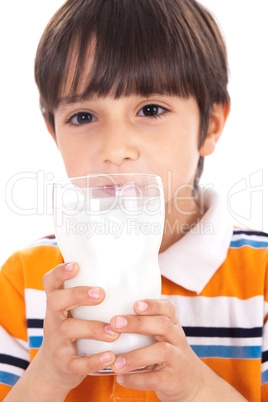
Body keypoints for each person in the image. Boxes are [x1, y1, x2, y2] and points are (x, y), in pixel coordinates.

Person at [0, 0, 267, 400]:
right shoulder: (26, 282)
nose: (116, 149)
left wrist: (196, 389)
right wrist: (49, 377)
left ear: (210, 126)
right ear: (54, 133)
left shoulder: (259, 278)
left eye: (151, 109)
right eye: (83, 117)